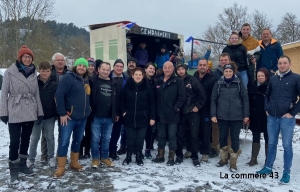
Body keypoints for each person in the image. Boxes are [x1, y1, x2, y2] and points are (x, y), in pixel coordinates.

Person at [0, 45, 44, 183]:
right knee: (14, 141)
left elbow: (36, 94)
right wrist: (3, 112)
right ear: (20, 58)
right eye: (25, 56)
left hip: (30, 110)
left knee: (25, 139)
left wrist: (39, 112)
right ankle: (13, 170)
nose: (27, 59)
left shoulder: (33, 72)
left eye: (29, 57)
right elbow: (4, 93)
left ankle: (22, 165)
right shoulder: (9, 72)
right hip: (15, 109)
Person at [257, 55, 300, 184]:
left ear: (289, 64)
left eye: (284, 63)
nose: (282, 65)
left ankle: (286, 172)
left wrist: (292, 113)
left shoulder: (296, 78)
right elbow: (267, 94)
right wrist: (267, 107)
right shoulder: (274, 79)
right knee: (271, 143)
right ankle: (268, 167)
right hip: (272, 117)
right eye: (280, 63)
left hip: (286, 118)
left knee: (287, 145)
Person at [53, 58, 91, 179]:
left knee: (77, 140)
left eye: (84, 66)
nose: (81, 67)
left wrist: (88, 109)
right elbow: (59, 95)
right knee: (64, 141)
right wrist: (62, 113)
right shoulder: (68, 78)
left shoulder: (86, 80)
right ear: (75, 66)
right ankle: (61, 167)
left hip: (82, 117)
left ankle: (74, 162)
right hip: (69, 118)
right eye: (79, 65)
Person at [210, 62, 249, 172]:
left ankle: (233, 162)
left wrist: (246, 115)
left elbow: (245, 99)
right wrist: (213, 114)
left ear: (233, 72)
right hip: (222, 116)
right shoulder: (218, 83)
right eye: (226, 71)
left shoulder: (238, 83)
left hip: (236, 116)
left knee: (234, 138)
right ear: (223, 72)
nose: (228, 73)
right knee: (222, 137)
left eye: (230, 71)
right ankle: (223, 159)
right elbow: (213, 100)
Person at [152, 61, 186, 166]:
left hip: (173, 114)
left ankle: (171, 157)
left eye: (169, 68)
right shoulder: (158, 81)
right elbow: (154, 98)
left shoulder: (178, 81)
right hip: (160, 114)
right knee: (161, 135)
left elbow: (182, 97)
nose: (167, 69)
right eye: (165, 67)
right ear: (163, 69)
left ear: (173, 69)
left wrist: (175, 108)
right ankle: (160, 156)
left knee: (172, 136)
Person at [121, 67, 156, 166]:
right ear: (132, 76)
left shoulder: (147, 87)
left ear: (143, 76)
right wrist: (124, 112)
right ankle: (128, 157)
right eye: (136, 74)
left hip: (143, 118)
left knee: (140, 139)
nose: (138, 76)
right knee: (130, 139)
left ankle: (138, 157)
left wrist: (152, 117)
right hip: (129, 118)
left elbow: (152, 104)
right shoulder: (127, 87)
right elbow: (121, 101)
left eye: (140, 75)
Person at [90, 62, 121, 168]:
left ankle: (104, 158)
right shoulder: (93, 81)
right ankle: (95, 158)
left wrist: (116, 113)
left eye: (107, 70)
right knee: (95, 139)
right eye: (103, 69)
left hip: (109, 117)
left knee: (106, 138)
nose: (105, 71)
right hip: (96, 116)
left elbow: (117, 100)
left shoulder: (114, 83)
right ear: (98, 69)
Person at [28, 61, 58, 169]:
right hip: (36, 116)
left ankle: (51, 158)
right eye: (43, 71)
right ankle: (31, 159)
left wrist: (55, 112)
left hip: (49, 116)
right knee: (35, 138)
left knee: (50, 137)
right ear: (39, 71)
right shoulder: (34, 83)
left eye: (48, 71)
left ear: (50, 71)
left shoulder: (54, 84)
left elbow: (56, 100)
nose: (45, 73)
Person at [175, 64, 206, 166]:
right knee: (179, 135)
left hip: (192, 112)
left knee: (193, 135)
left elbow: (202, 95)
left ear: (185, 70)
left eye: (182, 69)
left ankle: (194, 156)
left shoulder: (192, 80)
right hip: (180, 112)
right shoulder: (175, 81)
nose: (180, 71)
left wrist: (197, 106)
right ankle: (179, 155)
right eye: (178, 69)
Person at [40, 53, 68, 163]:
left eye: (62, 60)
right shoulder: (47, 72)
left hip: (63, 107)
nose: (60, 62)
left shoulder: (69, 73)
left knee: (63, 133)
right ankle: (45, 154)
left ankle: (60, 155)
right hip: (48, 107)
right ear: (53, 62)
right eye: (58, 60)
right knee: (46, 134)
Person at [193, 59, 216, 163]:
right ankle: (191, 149)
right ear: (198, 66)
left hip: (206, 109)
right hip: (194, 108)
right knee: (193, 130)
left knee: (206, 131)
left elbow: (213, 96)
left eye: (204, 65)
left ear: (207, 67)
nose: (202, 66)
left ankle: (205, 152)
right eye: (200, 65)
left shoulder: (212, 78)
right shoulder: (193, 77)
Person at [247, 68, 270, 166]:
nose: (260, 78)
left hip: (267, 117)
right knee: (255, 137)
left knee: (268, 138)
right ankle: (253, 158)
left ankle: (268, 160)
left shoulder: (270, 86)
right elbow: (248, 102)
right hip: (255, 116)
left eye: (262, 76)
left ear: (266, 77)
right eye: (258, 76)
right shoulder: (252, 86)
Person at [108, 59, 128, 160]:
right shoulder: (108, 78)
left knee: (116, 133)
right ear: (114, 67)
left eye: (121, 66)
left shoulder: (126, 78)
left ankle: (113, 151)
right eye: (117, 66)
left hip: (122, 111)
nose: (119, 68)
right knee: (107, 133)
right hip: (109, 110)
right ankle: (104, 151)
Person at [79, 57, 96, 159]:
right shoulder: (81, 77)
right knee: (80, 132)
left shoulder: (96, 78)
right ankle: (80, 150)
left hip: (91, 109)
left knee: (89, 131)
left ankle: (87, 151)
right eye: (89, 65)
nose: (91, 67)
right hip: (81, 108)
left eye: (92, 66)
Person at [144, 62, 157, 159]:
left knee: (149, 131)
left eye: (153, 69)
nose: (152, 70)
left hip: (151, 110)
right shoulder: (141, 80)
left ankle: (148, 149)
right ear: (145, 69)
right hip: (142, 109)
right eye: (150, 68)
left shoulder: (154, 81)